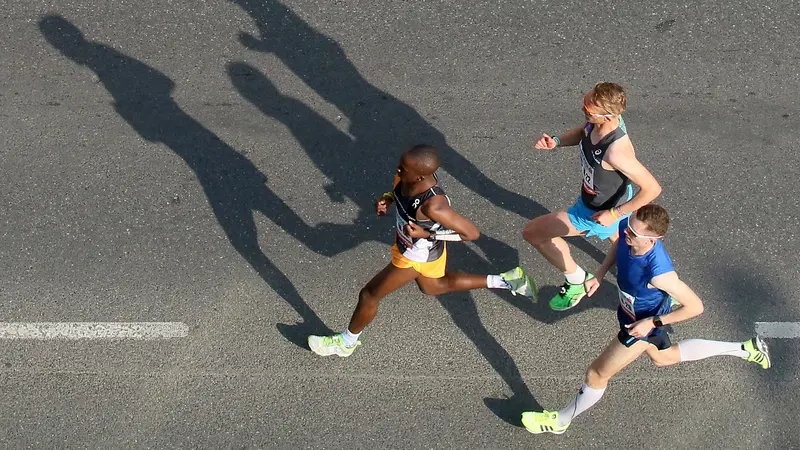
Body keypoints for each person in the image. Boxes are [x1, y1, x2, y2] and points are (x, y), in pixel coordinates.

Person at [521, 204, 771, 434]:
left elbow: (695, 307)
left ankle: (560, 421)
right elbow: (617, 246)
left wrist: (652, 323)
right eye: (628, 225)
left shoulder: (660, 274)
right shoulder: (627, 231)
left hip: (641, 325)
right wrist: (599, 273)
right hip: (630, 313)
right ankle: (746, 349)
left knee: (596, 375)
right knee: (664, 358)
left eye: (634, 233)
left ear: (653, 239)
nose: (627, 232)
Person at [308, 144, 535, 357]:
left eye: (402, 168)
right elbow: (399, 192)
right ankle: (509, 281)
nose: (397, 169)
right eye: (400, 164)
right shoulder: (406, 175)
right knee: (433, 286)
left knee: (369, 294)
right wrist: (388, 199)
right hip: (416, 246)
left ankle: (346, 343)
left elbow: (472, 234)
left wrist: (428, 234)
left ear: (419, 176)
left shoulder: (433, 206)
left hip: (416, 254)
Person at [524, 82, 662, 310]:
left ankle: (576, 280)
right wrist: (557, 142)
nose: (584, 111)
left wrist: (613, 214)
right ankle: (658, 284)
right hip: (604, 199)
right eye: (585, 102)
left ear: (607, 117)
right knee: (623, 242)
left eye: (589, 110)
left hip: (596, 212)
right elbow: (583, 132)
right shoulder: (596, 123)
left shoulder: (617, 152)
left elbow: (653, 188)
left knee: (533, 233)